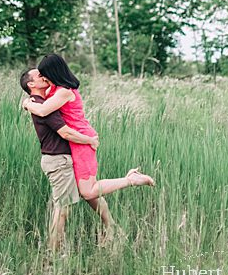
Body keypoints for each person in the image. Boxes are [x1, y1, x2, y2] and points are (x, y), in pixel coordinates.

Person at [22, 55, 156, 205]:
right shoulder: (53, 89)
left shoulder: (64, 91)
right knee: (84, 189)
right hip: (74, 139)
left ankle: (131, 180)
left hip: (81, 138)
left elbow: (43, 111)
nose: (44, 78)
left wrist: (26, 104)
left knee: (88, 191)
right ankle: (110, 225)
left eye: (44, 74)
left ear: (52, 72)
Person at [19, 67, 113, 249]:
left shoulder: (40, 101)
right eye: (40, 76)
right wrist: (89, 140)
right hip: (58, 161)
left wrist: (25, 103)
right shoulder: (43, 108)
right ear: (32, 84)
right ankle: (53, 252)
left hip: (61, 158)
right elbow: (66, 132)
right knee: (62, 209)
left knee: (88, 195)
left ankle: (110, 228)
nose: (44, 76)